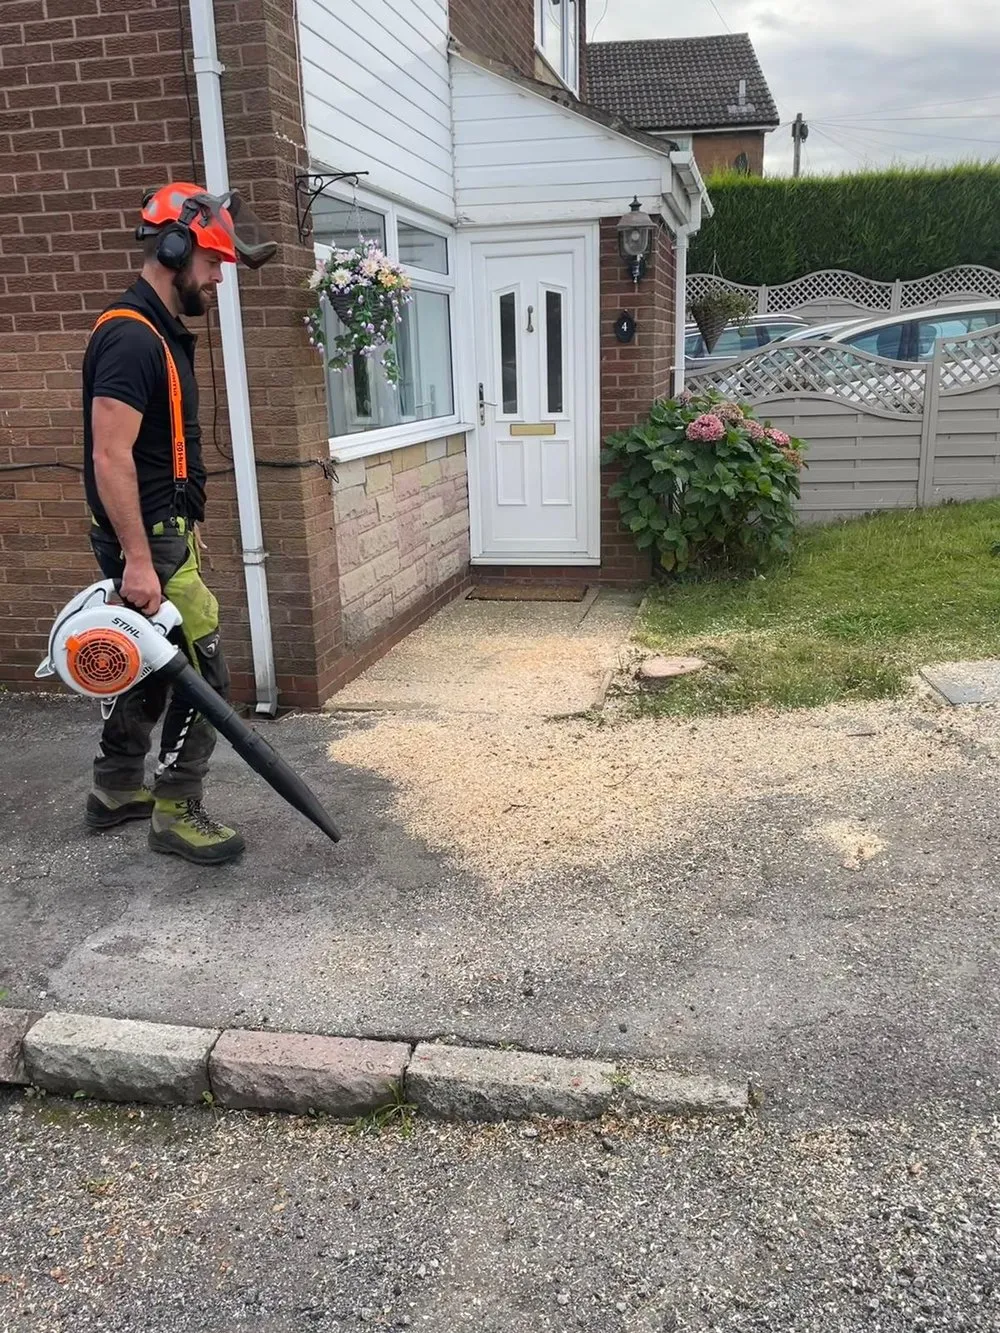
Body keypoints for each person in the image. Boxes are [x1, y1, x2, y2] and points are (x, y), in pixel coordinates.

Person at [81, 182, 274, 866]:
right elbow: (110, 455)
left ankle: (113, 789)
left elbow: (159, 452)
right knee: (205, 677)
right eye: (213, 262)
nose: (219, 278)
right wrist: (140, 555)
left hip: (162, 532)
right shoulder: (132, 339)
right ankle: (176, 805)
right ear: (174, 248)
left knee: (149, 667)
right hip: (145, 542)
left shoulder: (155, 333)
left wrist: (184, 521)